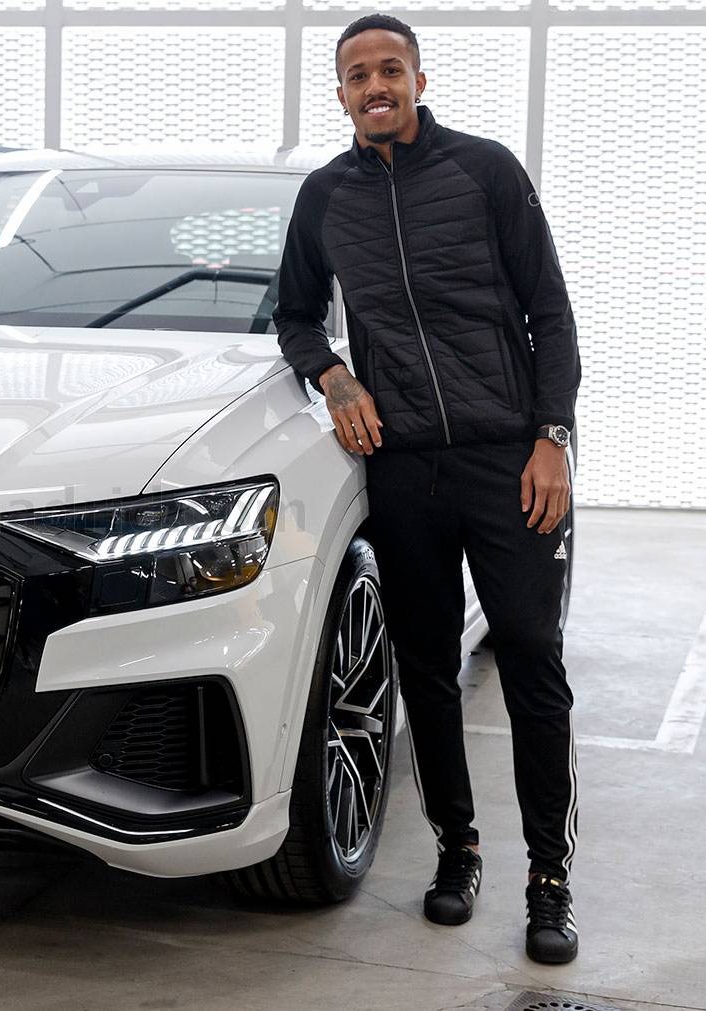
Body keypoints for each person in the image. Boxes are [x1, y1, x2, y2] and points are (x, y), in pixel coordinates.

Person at [272, 13, 583, 964]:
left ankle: (549, 876)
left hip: (505, 458)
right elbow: (292, 315)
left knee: (531, 658)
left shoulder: (485, 170)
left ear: (415, 76)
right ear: (340, 93)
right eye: (357, 73)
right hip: (403, 466)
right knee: (427, 667)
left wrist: (552, 438)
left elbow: (551, 311)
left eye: (390, 68)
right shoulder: (324, 197)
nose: (376, 84)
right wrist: (335, 377)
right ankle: (458, 848)